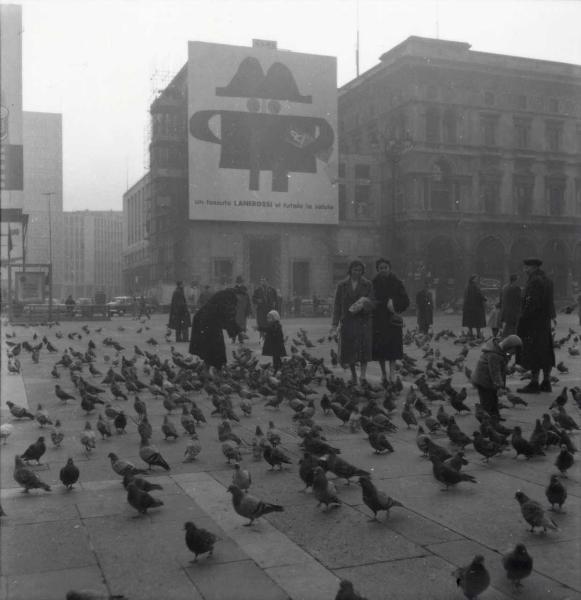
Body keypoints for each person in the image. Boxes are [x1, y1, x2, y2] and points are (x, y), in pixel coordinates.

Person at [516, 257, 556, 394]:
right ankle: (546, 382)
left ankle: (534, 383)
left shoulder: (534, 281)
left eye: (526, 267)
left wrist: (523, 317)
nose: (524, 269)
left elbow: (531, 302)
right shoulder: (548, 280)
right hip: (544, 322)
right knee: (545, 350)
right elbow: (550, 303)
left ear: (533, 267)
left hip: (534, 321)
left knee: (533, 350)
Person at [331, 259, 374, 385]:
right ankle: (354, 375)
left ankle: (363, 376)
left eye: (360, 270)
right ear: (350, 270)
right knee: (349, 350)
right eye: (355, 269)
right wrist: (335, 323)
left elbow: (372, 302)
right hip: (348, 321)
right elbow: (337, 305)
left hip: (363, 321)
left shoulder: (368, 284)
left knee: (363, 350)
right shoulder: (342, 285)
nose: (357, 272)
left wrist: (364, 305)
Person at [371, 258, 410, 385]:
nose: (383, 270)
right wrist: (374, 304)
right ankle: (383, 373)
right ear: (378, 269)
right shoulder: (374, 283)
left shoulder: (397, 282)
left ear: (389, 268)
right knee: (381, 349)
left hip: (392, 319)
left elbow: (405, 301)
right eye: (380, 268)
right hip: (378, 319)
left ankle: (392, 373)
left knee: (393, 349)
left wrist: (394, 303)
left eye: (385, 267)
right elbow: (370, 299)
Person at [471, 334, 522, 419]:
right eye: (513, 351)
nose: (513, 354)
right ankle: (488, 420)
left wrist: (508, 370)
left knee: (494, 400)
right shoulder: (494, 355)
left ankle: (495, 416)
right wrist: (500, 386)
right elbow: (495, 372)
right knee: (487, 401)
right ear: (508, 346)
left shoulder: (501, 352)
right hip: (483, 381)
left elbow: (500, 367)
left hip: (490, 381)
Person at [189, 288, 242, 369]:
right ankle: (216, 365)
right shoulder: (229, 298)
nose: (239, 301)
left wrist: (236, 330)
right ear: (237, 295)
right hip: (207, 321)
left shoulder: (225, 294)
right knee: (215, 344)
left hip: (204, 320)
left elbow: (225, 317)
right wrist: (238, 331)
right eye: (240, 298)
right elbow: (228, 317)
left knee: (210, 344)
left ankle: (211, 364)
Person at [233, 275, 252, 342]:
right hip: (236, 310)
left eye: (240, 282)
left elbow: (248, 302)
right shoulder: (234, 290)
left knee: (241, 325)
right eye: (239, 282)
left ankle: (240, 338)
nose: (239, 283)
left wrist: (249, 310)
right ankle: (234, 338)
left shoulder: (244, 291)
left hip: (242, 310)